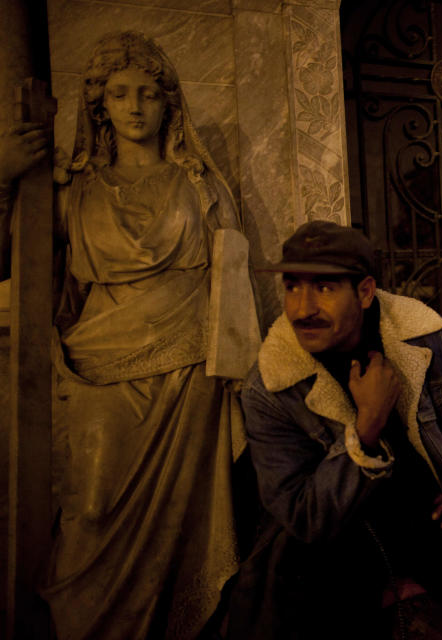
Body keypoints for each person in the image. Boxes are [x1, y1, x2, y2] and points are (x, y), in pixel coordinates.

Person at [1, 31, 250, 640]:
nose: (134, 106)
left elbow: (233, 290)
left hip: (188, 370)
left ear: (169, 103)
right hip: (99, 366)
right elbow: (17, 263)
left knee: (178, 526)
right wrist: (5, 180)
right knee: (87, 507)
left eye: (147, 94)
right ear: (99, 106)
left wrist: (241, 375)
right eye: (119, 93)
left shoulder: (201, 188)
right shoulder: (73, 192)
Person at [229, 220, 442, 639]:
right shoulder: (269, 385)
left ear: (364, 292)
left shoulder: (421, 334)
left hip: (430, 515)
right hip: (335, 543)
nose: (302, 308)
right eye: (292, 287)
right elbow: (304, 517)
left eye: (323, 287)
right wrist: (366, 430)